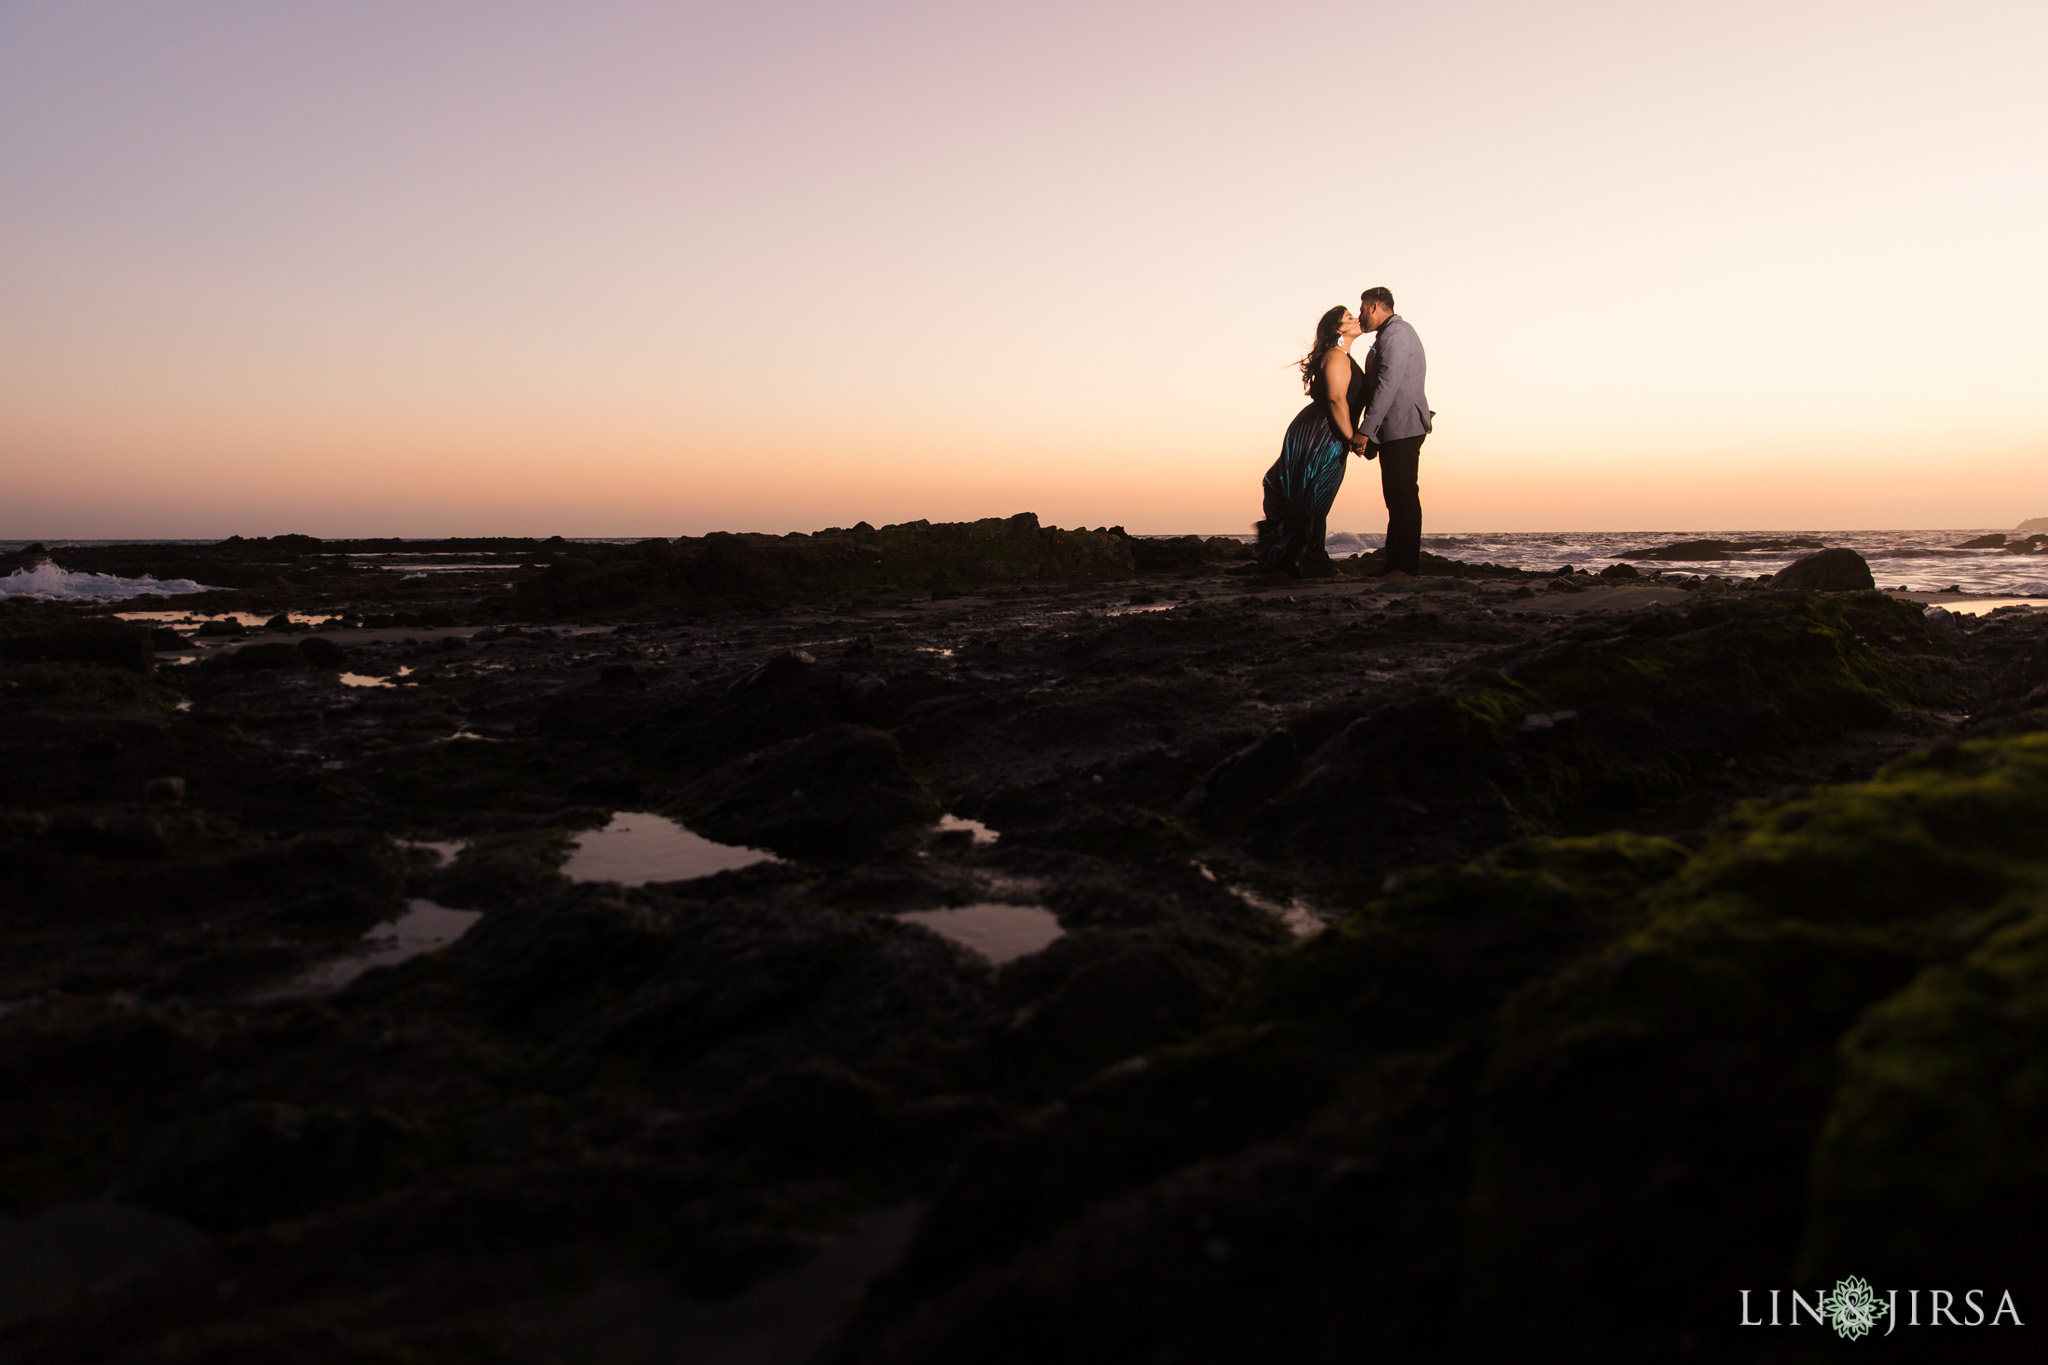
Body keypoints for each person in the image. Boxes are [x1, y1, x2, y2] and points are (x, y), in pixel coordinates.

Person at [1255, 304, 1367, 576]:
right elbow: (1336, 399)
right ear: (1338, 330)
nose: (1356, 319)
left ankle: (1300, 558)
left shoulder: (1340, 355)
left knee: (1313, 495)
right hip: (1322, 431)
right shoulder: (1337, 356)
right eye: (1349, 318)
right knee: (1316, 495)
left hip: (1323, 428)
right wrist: (1351, 436)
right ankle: (1308, 561)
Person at [1348, 287, 1433, 580]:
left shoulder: (1396, 334)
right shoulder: (1387, 335)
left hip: (1403, 428)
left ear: (1373, 306)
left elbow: (1388, 385)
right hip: (1393, 429)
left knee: (1403, 498)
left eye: (1361, 310)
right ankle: (1394, 565)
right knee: (1395, 499)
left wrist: (1364, 431)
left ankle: (1405, 569)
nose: (1360, 316)